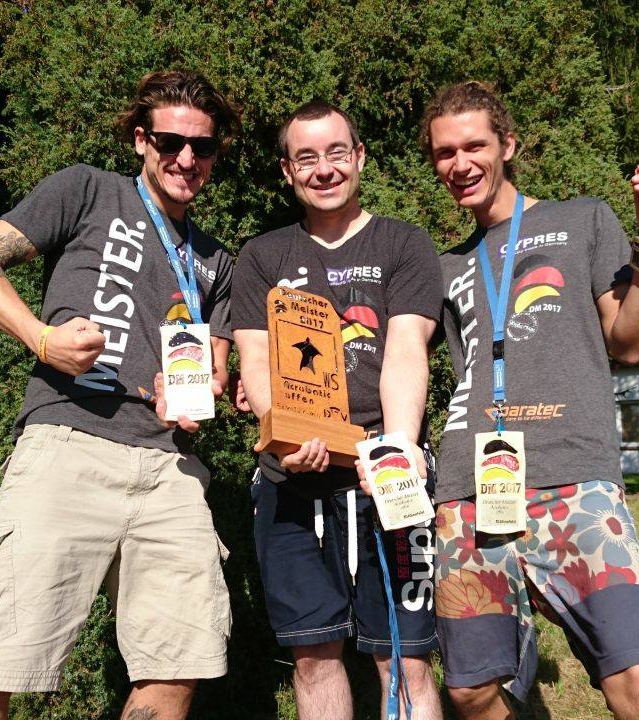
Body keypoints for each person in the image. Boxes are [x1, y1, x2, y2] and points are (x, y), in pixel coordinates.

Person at [0, 70, 238, 720]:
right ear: (141, 140)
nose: (187, 158)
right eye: (170, 142)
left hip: (170, 471)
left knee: (179, 666)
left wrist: (198, 397)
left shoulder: (216, 262)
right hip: (68, 445)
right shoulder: (87, 190)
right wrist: (42, 339)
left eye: (203, 146)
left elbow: (215, 371)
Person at [420, 81, 639, 720]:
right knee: (471, 689)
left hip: (576, 480)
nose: (461, 164)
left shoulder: (582, 219)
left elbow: (629, 341)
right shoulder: (443, 264)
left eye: (475, 146)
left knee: (636, 680)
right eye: (445, 152)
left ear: (507, 145)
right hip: (468, 489)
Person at [232, 100, 444, 720]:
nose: (323, 169)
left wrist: (398, 446)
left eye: (335, 153)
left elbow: (407, 348)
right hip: (291, 488)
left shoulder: (405, 242)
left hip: (386, 480)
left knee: (406, 659)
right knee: (313, 658)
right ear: (287, 171)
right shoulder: (262, 256)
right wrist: (283, 439)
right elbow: (255, 359)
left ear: (359, 158)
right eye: (306, 158)